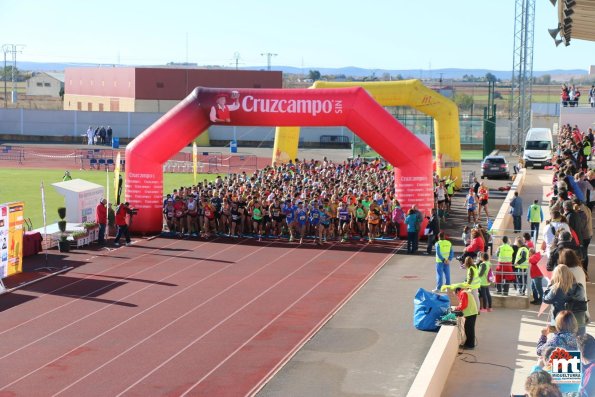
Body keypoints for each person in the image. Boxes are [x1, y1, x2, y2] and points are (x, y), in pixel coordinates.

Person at [543, 265, 587, 331]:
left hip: (561, 322)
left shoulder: (555, 289)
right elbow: (581, 302)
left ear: (556, 276)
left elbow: (546, 300)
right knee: (580, 340)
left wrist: (549, 286)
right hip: (578, 321)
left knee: (559, 341)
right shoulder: (579, 287)